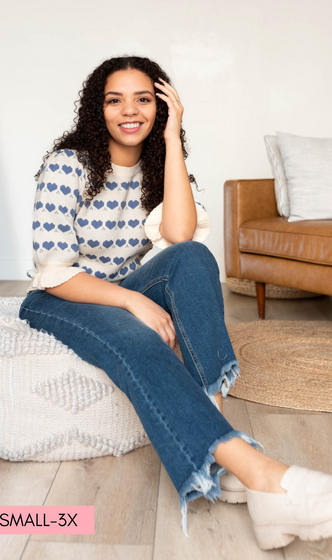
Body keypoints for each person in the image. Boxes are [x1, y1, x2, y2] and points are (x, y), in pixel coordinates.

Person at [19, 55, 332, 550]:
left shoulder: (159, 165)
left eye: (144, 99)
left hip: (125, 287)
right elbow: (55, 269)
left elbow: (180, 237)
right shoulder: (67, 166)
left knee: (192, 257)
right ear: (95, 110)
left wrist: (171, 139)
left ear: (160, 106)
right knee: (137, 340)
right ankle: (263, 476)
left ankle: (219, 441)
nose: (129, 110)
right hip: (63, 296)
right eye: (114, 99)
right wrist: (130, 302)